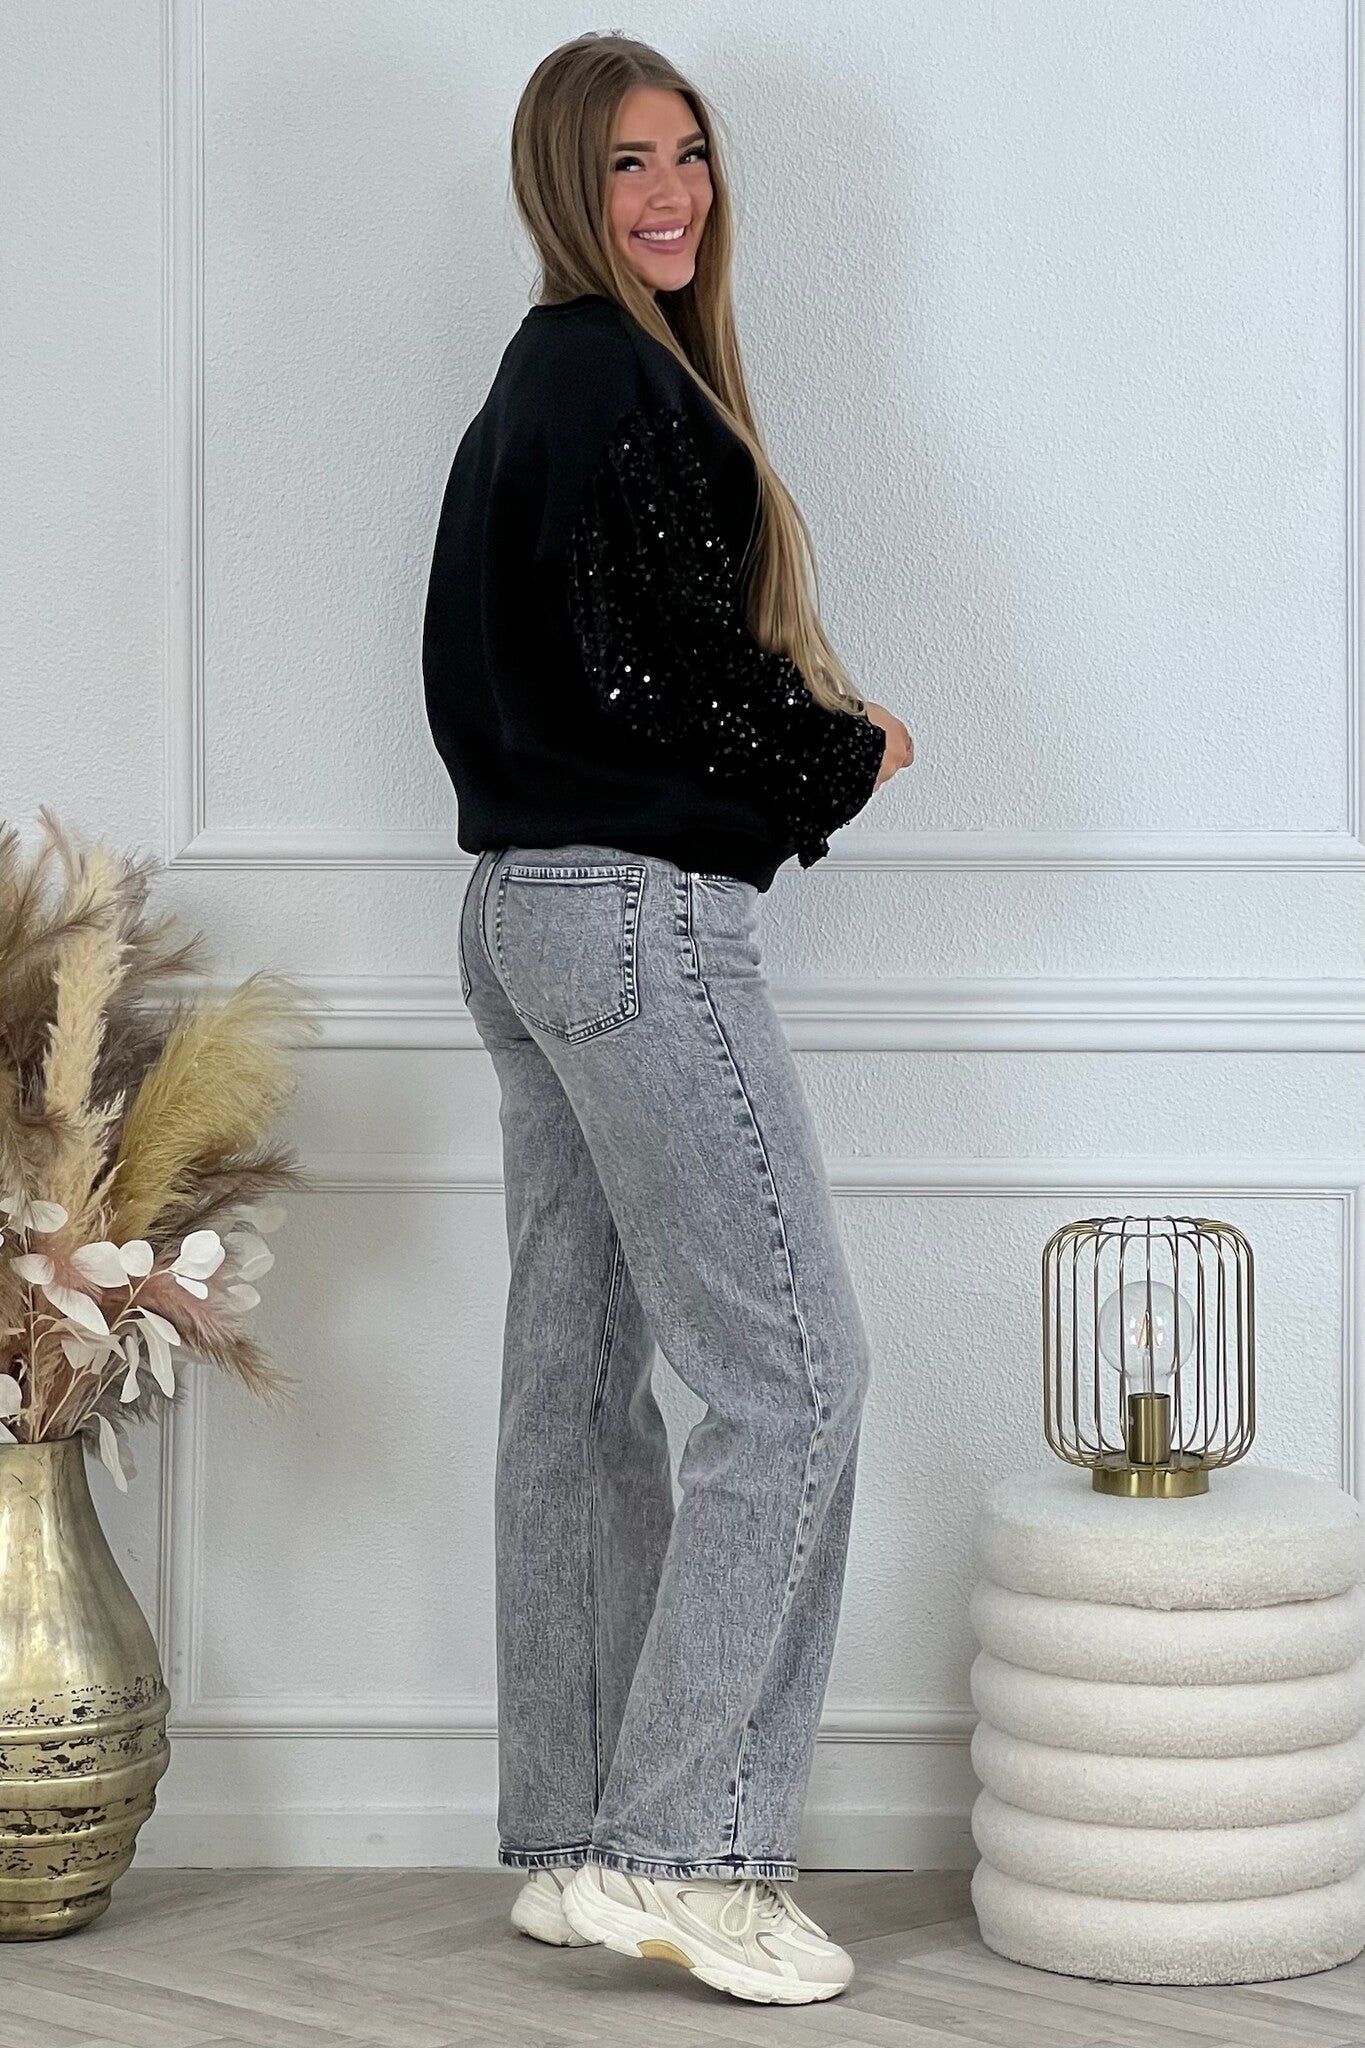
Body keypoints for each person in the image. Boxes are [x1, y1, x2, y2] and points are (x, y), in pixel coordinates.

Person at [421, 31, 913, 2009]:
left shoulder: (538, 382)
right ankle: (692, 1855)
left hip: (519, 919)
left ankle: (576, 1845)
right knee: (794, 1379)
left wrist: (791, 734)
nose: (672, 191)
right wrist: (840, 747)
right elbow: (664, 682)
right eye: (629, 160)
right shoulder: (613, 381)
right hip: (627, 919)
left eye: (690, 154)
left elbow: (565, 673)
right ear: (565, 181)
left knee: (578, 1387)